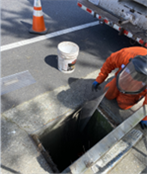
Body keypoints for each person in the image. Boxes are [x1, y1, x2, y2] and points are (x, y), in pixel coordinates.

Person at [92, 46, 147, 129]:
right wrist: (100, 79)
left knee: (123, 105)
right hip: (121, 80)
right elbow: (109, 62)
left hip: (135, 91)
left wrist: (144, 117)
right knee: (108, 94)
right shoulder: (127, 55)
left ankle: (135, 97)